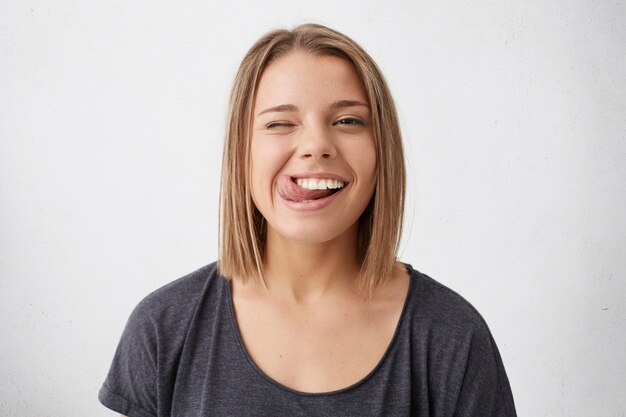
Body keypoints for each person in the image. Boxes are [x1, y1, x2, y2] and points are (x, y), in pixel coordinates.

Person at [99, 23, 517, 416]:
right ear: (241, 152)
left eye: (348, 120)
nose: (316, 145)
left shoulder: (454, 339)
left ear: (382, 150)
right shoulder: (162, 329)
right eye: (280, 123)